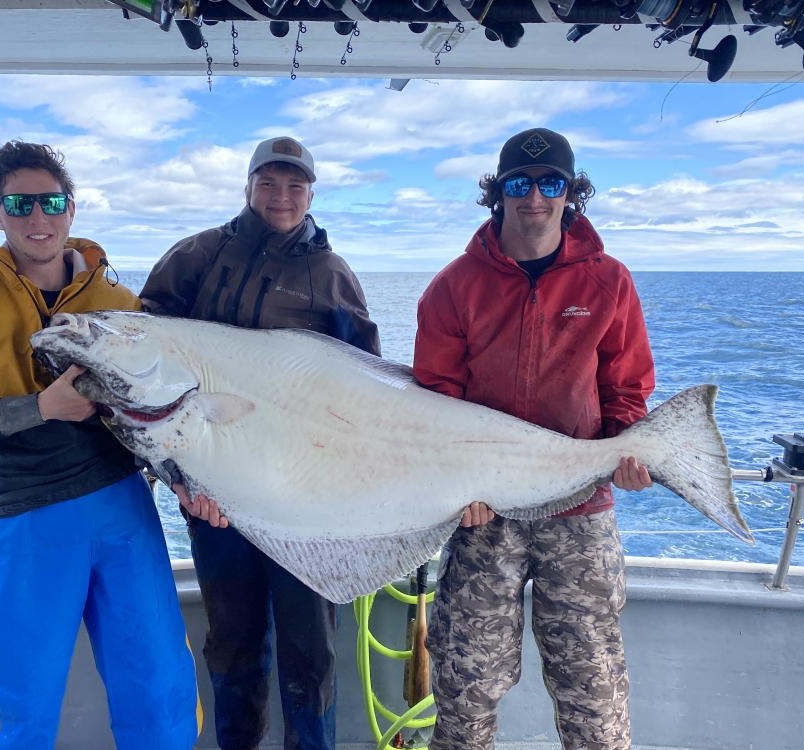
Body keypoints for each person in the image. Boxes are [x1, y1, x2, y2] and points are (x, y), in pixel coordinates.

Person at [0, 141, 200, 750]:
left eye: (51, 202)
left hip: (122, 507)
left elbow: (159, 410)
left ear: (72, 209)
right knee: (21, 704)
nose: (36, 217)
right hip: (20, 513)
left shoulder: (119, 305)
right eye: (19, 203)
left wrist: (186, 477)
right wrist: (42, 408)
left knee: (161, 685)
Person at [413, 128, 654, 750]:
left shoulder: (610, 280)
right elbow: (437, 398)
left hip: (580, 509)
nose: (536, 198)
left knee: (591, 680)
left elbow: (625, 385)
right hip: (485, 512)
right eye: (520, 184)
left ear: (572, 194)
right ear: (498, 195)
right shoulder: (453, 285)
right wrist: (461, 485)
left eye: (552, 184)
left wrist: (627, 447)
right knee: (465, 680)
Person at [140, 136, 380, 750]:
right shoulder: (196, 255)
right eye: (268, 184)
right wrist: (177, 478)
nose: (281, 197)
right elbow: (140, 362)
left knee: (311, 651)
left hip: (303, 501)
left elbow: (366, 387)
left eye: (295, 185)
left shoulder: (331, 275)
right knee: (234, 644)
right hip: (215, 496)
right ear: (248, 187)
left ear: (311, 192)